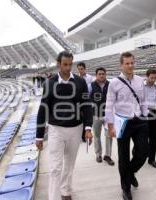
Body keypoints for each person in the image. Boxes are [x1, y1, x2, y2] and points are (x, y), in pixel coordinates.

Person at [36, 51, 93, 200]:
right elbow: (43, 109)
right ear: (58, 64)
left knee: (69, 164)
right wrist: (39, 135)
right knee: (55, 168)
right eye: (65, 64)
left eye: (70, 64)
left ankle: (66, 191)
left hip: (76, 129)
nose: (68, 67)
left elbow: (86, 105)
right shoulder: (50, 83)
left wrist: (88, 128)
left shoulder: (81, 82)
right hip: (56, 130)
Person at [105, 52, 149, 200]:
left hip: (139, 121)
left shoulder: (139, 80)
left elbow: (143, 100)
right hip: (122, 122)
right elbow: (109, 106)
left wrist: (145, 115)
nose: (130, 66)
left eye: (132, 63)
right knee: (123, 157)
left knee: (143, 152)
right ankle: (125, 188)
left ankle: (129, 174)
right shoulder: (114, 83)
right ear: (121, 65)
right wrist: (110, 126)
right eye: (127, 63)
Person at [90, 67, 114, 166]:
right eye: (99, 74)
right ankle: (98, 154)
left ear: (105, 74)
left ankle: (107, 156)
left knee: (109, 135)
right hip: (96, 114)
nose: (101, 75)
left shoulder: (111, 85)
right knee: (97, 136)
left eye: (103, 74)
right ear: (96, 75)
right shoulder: (91, 85)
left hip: (108, 115)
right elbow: (86, 98)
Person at [144, 68, 156, 168]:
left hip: (154, 113)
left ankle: (152, 159)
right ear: (147, 77)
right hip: (143, 114)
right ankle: (136, 150)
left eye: (155, 78)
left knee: (153, 138)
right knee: (142, 137)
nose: (153, 80)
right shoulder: (141, 87)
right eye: (151, 78)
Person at [77, 62, 94, 142]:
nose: (80, 70)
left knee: (86, 118)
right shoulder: (75, 77)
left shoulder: (90, 78)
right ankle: (80, 135)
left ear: (85, 69)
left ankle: (85, 135)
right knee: (79, 118)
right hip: (78, 101)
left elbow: (91, 89)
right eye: (79, 69)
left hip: (87, 100)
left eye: (82, 69)